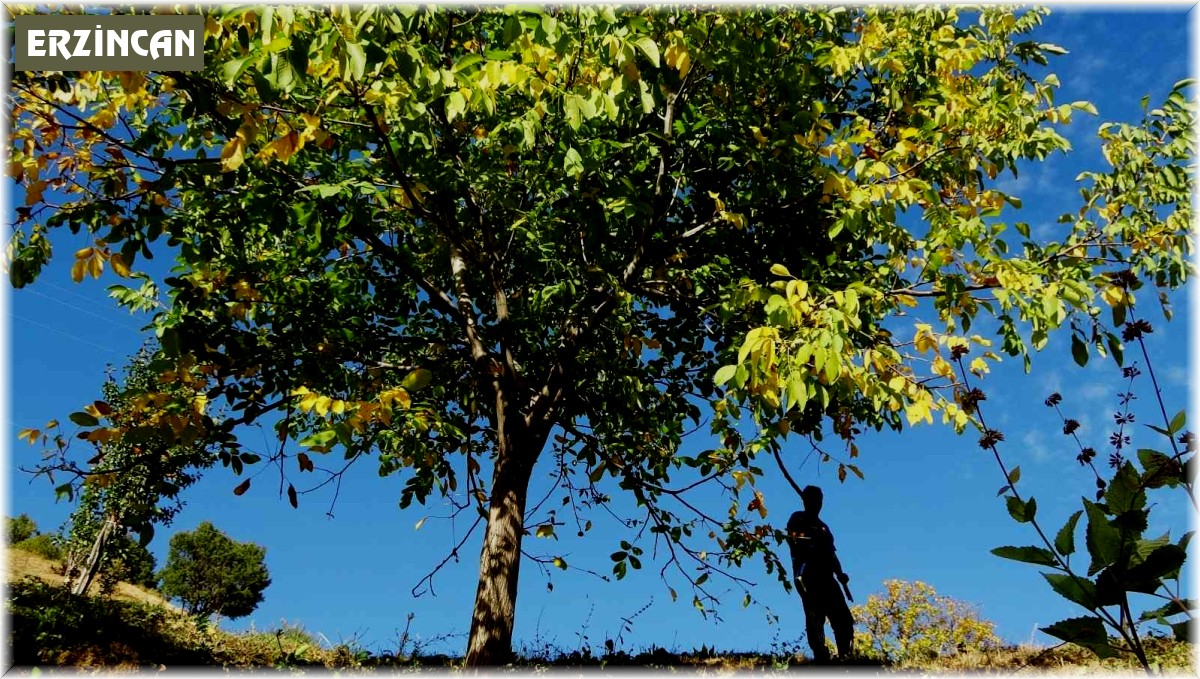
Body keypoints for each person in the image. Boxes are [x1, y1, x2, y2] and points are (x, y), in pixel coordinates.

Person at [786, 485, 854, 663]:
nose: (818, 503)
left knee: (843, 618)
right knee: (815, 616)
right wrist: (814, 541)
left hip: (827, 577)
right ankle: (820, 655)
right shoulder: (798, 518)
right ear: (806, 500)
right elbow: (794, 537)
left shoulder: (824, 527)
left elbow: (832, 554)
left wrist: (840, 573)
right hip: (807, 575)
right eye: (814, 498)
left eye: (820, 499)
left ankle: (844, 656)